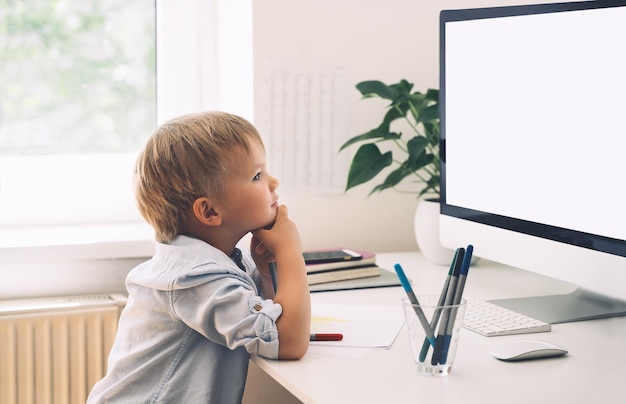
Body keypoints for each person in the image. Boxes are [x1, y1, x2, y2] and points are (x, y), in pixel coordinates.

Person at [87, 111, 311, 403]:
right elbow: (289, 341)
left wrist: (268, 271)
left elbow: (276, 317)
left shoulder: (219, 262)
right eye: (257, 176)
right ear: (209, 212)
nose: (273, 182)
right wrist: (290, 251)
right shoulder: (195, 278)